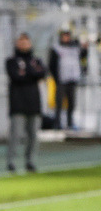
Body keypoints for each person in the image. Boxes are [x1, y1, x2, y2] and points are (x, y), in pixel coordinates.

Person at [6, 33, 48, 172]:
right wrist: (31, 74)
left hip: (34, 103)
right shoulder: (11, 61)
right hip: (18, 103)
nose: (24, 44)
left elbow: (41, 73)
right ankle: (11, 161)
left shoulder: (36, 60)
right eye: (21, 41)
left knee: (33, 135)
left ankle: (30, 161)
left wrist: (27, 72)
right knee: (16, 134)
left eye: (26, 41)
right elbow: (16, 76)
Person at [48, 29, 86, 130]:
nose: (66, 38)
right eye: (64, 36)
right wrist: (56, 78)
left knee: (71, 102)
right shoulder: (56, 48)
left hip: (72, 79)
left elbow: (83, 55)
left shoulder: (75, 48)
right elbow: (52, 65)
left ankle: (70, 122)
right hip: (61, 79)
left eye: (67, 36)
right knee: (59, 102)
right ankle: (57, 123)